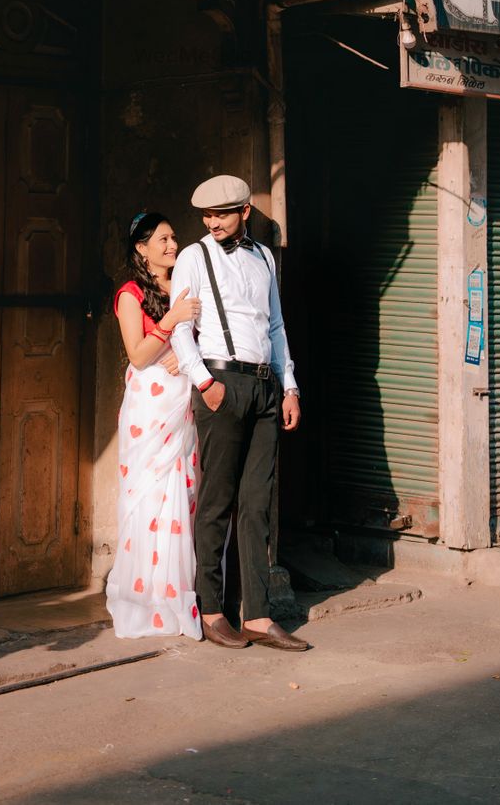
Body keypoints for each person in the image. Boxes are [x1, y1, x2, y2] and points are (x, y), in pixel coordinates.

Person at [169, 176, 308, 653]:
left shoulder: (265, 256)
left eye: (222, 214)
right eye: (207, 216)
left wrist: (288, 386)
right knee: (216, 501)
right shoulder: (194, 255)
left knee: (257, 502)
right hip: (220, 382)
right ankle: (211, 611)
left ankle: (258, 616)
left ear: (245, 211)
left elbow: (275, 324)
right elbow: (180, 326)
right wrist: (203, 382)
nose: (213, 223)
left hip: (265, 384)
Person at [105, 211, 203, 640]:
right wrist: (171, 319)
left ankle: (176, 591)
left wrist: (185, 353)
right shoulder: (130, 294)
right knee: (148, 497)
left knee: (182, 493)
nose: (172, 245)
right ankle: (144, 598)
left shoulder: (181, 287)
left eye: (173, 237)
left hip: (181, 403)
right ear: (141, 248)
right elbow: (139, 355)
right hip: (149, 409)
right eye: (162, 240)